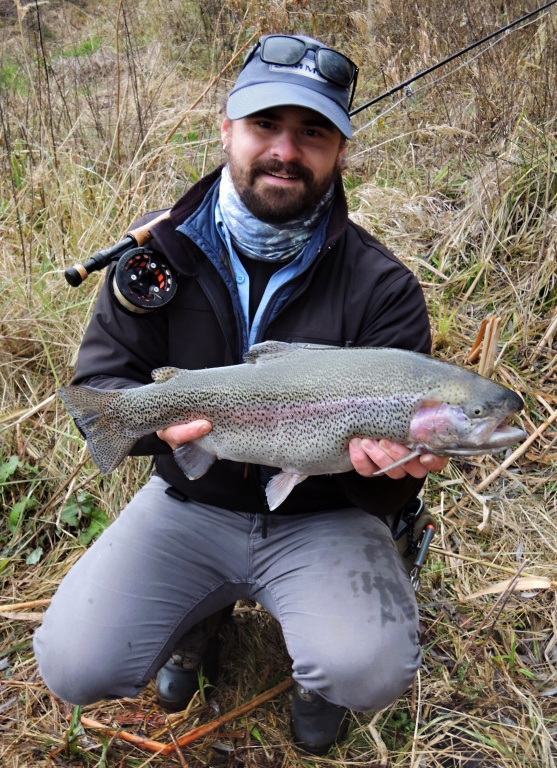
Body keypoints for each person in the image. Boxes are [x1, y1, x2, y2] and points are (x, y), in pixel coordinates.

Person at [34, 33, 448, 756]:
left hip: (322, 515)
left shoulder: (383, 288)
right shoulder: (155, 259)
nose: (285, 151)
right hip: (189, 504)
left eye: (313, 132)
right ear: (226, 130)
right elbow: (101, 387)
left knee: (370, 668)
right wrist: (146, 425)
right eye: (265, 126)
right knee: (73, 664)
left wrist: (389, 475)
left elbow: (381, 483)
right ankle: (198, 621)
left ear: (340, 151)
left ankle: (319, 677)